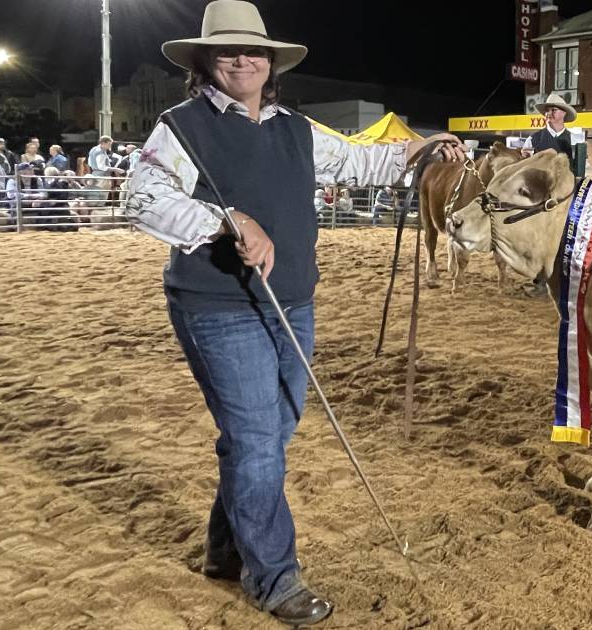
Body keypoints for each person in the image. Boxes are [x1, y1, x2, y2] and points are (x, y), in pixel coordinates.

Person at [123, 2, 464, 625]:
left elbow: (365, 161)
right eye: (226, 50)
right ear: (204, 62)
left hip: (295, 301)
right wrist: (223, 220)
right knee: (258, 442)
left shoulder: (296, 129)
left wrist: (424, 146)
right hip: (216, 306)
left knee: (270, 433)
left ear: (272, 63)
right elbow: (141, 198)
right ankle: (274, 577)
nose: (242, 59)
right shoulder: (179, 126)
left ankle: (226, 548)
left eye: (253, 50)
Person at [522, 93, 580, 162]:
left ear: (564, 113)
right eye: (547, 110)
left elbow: (581, 167)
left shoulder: (575, 140)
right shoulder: (532, 139)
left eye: (554, 110)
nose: (549, 113)